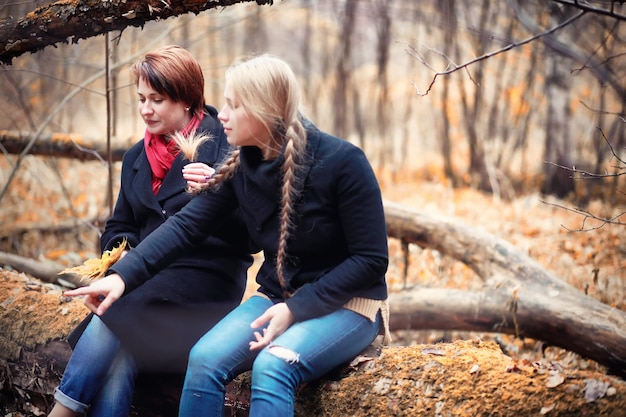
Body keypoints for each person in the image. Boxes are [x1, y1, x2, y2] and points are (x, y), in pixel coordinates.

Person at [64, 53, 391, 417]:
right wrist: (121, 278)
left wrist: (296, 310)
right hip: (276, 297)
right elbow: (185, 227)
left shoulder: (342, 162)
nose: (221, 114)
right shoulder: (241, 164)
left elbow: (371, 261)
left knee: (273, 365)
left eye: (233, 105)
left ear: (264, 110)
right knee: (203, 359)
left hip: (349, 305)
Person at [48, 45, 252, 417]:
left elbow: (250, 233)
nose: (145, 109)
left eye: (156, 99)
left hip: (204, 286)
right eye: (141, 98)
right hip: (142, 278)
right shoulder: (135, 158)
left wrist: (217, 188)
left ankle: (63, 411)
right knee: (122, 343)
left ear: (187, 98)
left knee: (116, 311)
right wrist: (120, 251)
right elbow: (118, 226)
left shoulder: (226, 145)